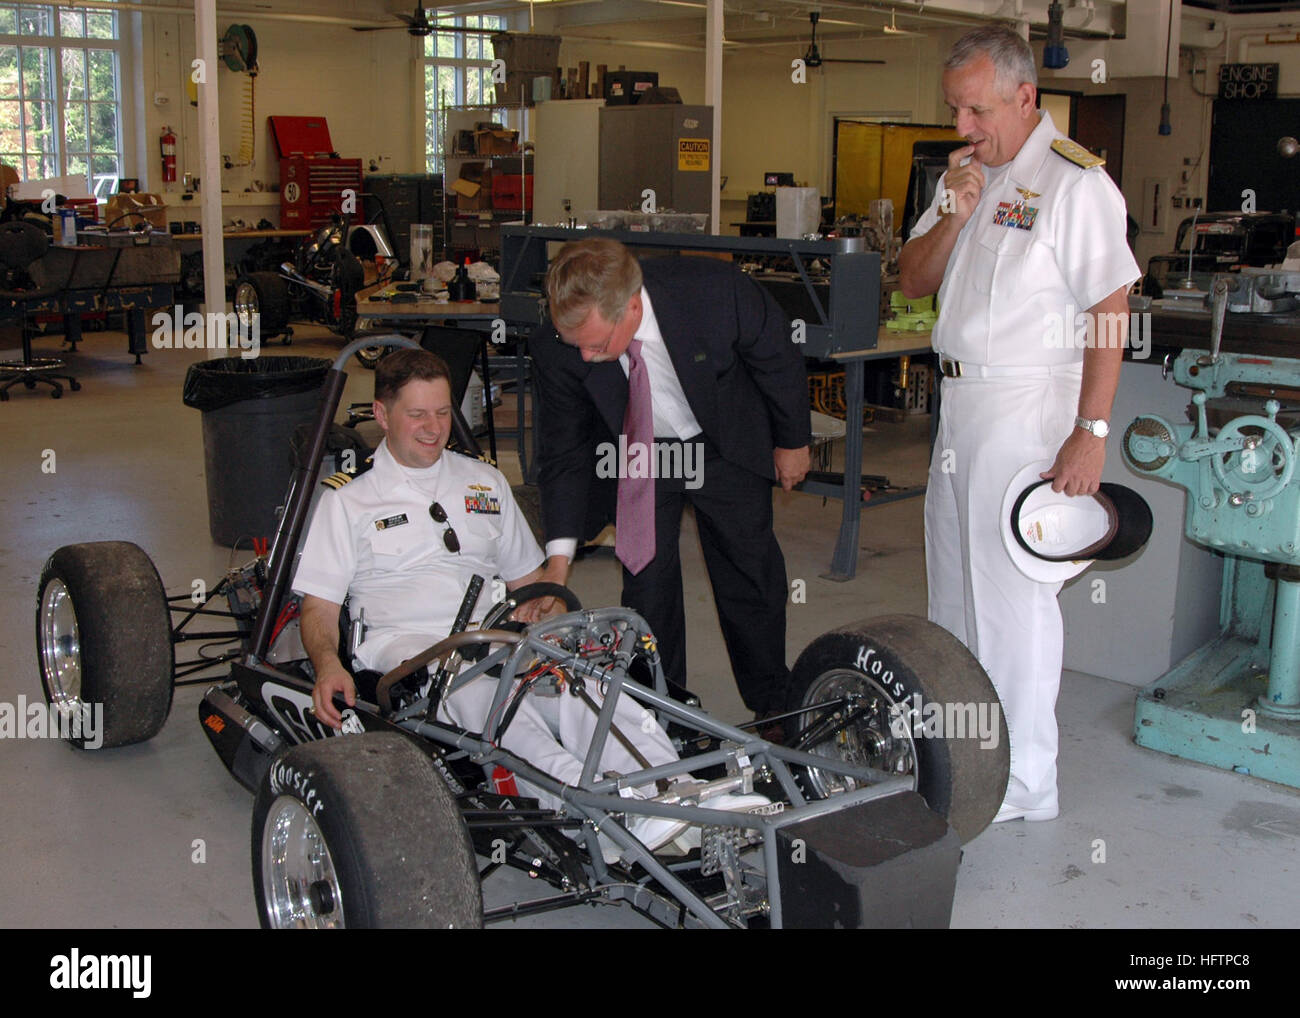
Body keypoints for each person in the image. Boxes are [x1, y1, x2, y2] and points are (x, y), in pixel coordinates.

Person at [290, 348, 754, 860]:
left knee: (587, 682)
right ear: (381, 414)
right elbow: (320, 608)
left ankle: (679, 793)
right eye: (416, 414)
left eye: (443, 413)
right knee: (492, 699)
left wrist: (548, 612)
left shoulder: (482, 482)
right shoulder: (348, 501)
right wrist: (328, 665)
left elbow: (531, 582)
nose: (433, 428)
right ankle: (602, 810)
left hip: (496, 633)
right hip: (413, 654)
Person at [898, 26, 1140, 822]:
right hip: (960, 410)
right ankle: (968, 763)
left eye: (976, 109)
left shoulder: (1076, 185)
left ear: (1024, 97)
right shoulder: (967, 175)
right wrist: (954, 215)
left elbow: (1111, 308)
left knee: (1012, 603)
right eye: (956, 109)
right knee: (956, 599)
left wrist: (1091, 432)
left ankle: (1027, 783)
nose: (963, 126)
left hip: (1025, 408)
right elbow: (911, 280)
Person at [523, 238, 811, 722]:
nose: (588, 357)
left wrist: (792, 440)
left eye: (598, 344)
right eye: (578, 345)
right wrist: (557, 564)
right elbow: (564, 454)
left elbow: (776, 352)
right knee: (646, 583)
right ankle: (660, 715)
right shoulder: (558, 346)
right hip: (640, 451)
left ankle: (772, 704)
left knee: (749, 571)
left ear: (631, 305)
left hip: (722, 440)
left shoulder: (713, 293)